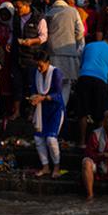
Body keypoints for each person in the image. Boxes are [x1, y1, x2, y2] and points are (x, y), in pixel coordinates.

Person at [77, 26, 108, 140]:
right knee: (101, 115)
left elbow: (81, 64)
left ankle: (82, 141)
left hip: (84, 78)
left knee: (82, 112)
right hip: (100, 81)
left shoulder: (89, 45)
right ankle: (99, 143)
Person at [44, 0, 86, 108]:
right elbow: (80, 31)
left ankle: (55, 109)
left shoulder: (48, 14)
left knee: (54, 83)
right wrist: (72, 41)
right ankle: (62, 108)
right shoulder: (73, 11)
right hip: (69, 52)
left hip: (52, 53)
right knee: (66, 83)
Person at [29, 50, 65, 178]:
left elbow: (58, 94)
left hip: (55, 109)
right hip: (41, 110)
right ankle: (45, 167)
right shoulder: (35, 72)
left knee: (51, 139)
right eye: (37, 65)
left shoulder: (56, 73)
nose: (39, 68)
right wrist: (33, 98)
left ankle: (57, 166)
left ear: (48, 63)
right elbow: (33, 89)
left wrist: (43, 98)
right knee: (38, 139)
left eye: (41, 66)